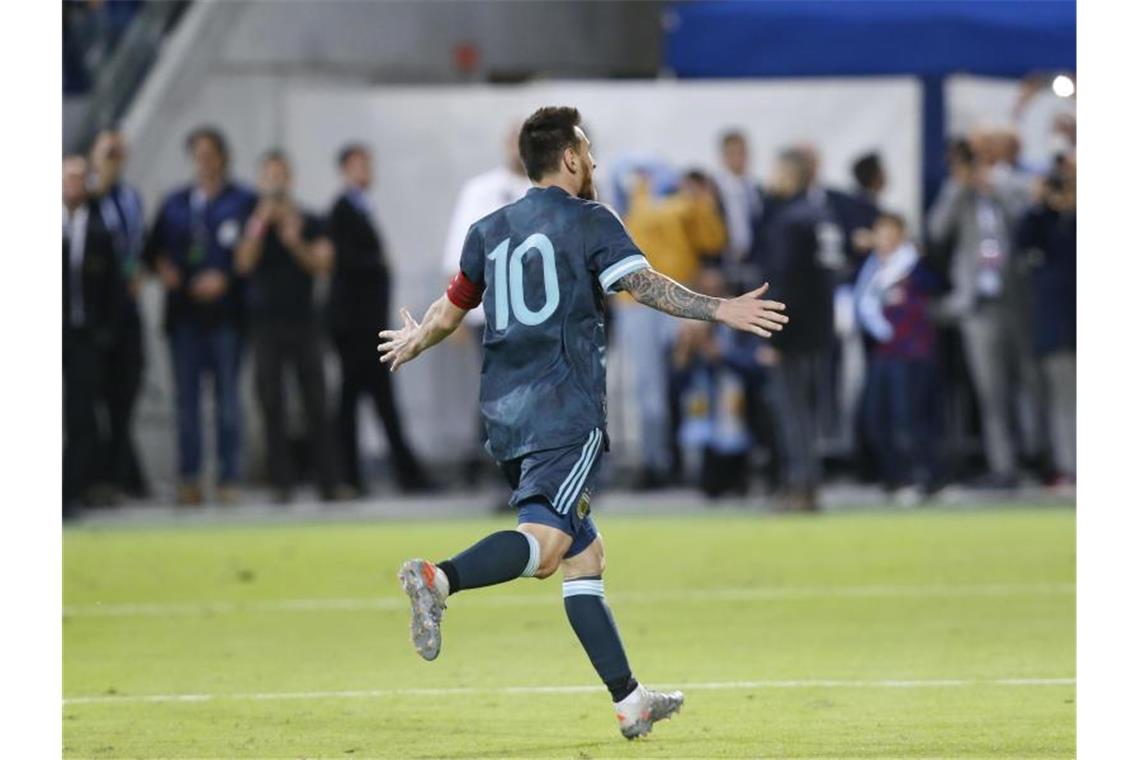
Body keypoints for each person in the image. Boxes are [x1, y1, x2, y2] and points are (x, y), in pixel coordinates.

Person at [378, 106, 788, 739]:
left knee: (582, 555)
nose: (593, 162)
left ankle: (629, 701)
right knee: (544, 547)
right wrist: (719, 309)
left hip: (506, 413)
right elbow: (644, 286)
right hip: (564, 411)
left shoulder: (488, 230)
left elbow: (450, 308)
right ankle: (439, 579)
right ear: (568, 157)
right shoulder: (591, 221)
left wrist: (415, 341)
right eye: (588, 151)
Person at [146, 126, 256, 506]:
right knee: (186, 402)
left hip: (226, 316)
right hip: (184, 317)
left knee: (228, 401)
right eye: (198, 155)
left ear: (222, 157)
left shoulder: (243, 200)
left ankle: (228, 478)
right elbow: (153, 251)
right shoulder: (175, 203)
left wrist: (225, 276)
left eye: (210, 154)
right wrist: (169, 273)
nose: (204, 162)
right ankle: (189, 478)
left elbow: (253, 249)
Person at [928, 136, 1042, 488]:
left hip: (1019, 299)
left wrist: (995, 191)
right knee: (990, 390)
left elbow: (1027, 224)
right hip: (978, 304)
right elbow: (936, 231)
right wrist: (960, 187)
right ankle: (1003, 464)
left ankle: (1039, 455)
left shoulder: (1013, 182)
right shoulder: (957, 191)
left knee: (1030, 383)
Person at [235, 151, 339, 503]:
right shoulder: (251, 222)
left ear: (290, 179)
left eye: (281, 175)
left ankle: (328, 481)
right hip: (265, 325)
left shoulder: (311, 219)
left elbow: (323, 264)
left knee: (316, 402)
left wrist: (295, 241)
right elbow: (243, 264)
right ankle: (282, 483)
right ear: (262, 181)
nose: (276, 182)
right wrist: (260, 225)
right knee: (271, 402)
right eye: (269, 176)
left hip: (305, 322)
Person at [327, 144, 430, 495]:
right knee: (363, 403)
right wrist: (379, 264)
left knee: (373, 402)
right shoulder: (343, 211)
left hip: (365, 325)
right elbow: (348, 264)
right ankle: (360, 476)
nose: (365, 172)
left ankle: (376, 475)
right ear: (345, 170)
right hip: (356, 327)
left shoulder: (360, 209)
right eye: (357, 166)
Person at [617, 169, 727, 489]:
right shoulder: (678, 206)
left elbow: (713, 240)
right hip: (658, 299)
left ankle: (669, 460)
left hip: (652, 299)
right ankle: (669, 460)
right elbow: (714, 240)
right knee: (664, 385)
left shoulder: (644, 207)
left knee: (672, 383)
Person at [440, 124, 531, 485]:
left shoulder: (548, 191)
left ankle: (533, 476)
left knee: (533, 397)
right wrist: (454, 315)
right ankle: (500, 474)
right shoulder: (480, 190)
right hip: (490, 314)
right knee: (498, 395)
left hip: (539, 315)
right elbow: (458, 252)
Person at [760, 148, 844, 511]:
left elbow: (785, 281)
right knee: (810, 413)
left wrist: (773, 333)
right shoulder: (822, 215)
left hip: (792, 331)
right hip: (821, 328)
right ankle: (810, 482)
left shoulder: (789, 220)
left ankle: (800, 486)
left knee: (791, 412)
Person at [854, 213, 944, 503]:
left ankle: (925, 478)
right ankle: (895, 478)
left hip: (912, 351)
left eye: (890, 233)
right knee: (876, 417)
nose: (884, 239)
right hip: (884, 351)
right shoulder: (873, 267)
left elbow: (933, 285)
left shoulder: (913, 265)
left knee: (909, 419)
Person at [90, 128, 149, 500]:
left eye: (119, 150)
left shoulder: (131, 198)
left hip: (128, 309)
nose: (114, 155)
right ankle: (103, 475)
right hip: (93, 314)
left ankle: (121, 471)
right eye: (107, 149)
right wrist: (101, 178)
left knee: (126, 390)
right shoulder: (89, 196)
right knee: (92, 394)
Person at [63, 155, 123, 517]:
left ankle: (71, 493)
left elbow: (114, 289)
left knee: (82, 415)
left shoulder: (101, 232)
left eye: (80, 178)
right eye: (68, 176)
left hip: (84, 334)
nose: (73, 183)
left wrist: (105, 333)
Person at [1017, 154, 1076, 486]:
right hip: (1058, 328)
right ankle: (1069, 467)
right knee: (1062, 402)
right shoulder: (1044, 223)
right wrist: (1041, 202)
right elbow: (1022, 239)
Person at [713, 130, 764, 290]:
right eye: (732, 153)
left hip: (752, 264)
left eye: (742, 153)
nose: (739, 158)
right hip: (723, 263)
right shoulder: (713, 189)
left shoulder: (756, 189)